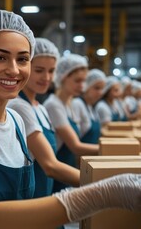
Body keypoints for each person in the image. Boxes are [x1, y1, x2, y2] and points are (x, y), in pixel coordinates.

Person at [0, 10, 141, 229]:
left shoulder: (17, 122)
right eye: (0, 57)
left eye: (22, 59)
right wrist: (101, 194)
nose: (13, 70)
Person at [8, 38, 79, 198]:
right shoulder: (19, 106)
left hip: (46, 193)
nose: (46, 77)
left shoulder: (41, 108)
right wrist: (99, 181)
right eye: (39, 70)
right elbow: (50, 166)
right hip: (32, 198)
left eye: (51, 71)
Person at [43, 53, 99, 192]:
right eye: (77, 80)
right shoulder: (53, 105)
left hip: (69, 165)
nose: (82, 86)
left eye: (84, 81)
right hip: (59, 171)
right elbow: (75, 146)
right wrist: (112, 151)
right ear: (63, 77)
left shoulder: (70, 104)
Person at [71, 68, 106, 144]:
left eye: (102, 89)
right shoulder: (77, 104)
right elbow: (75, 143)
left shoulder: (91, 107)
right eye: (97, 88)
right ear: (86, 86)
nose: (100, 92)